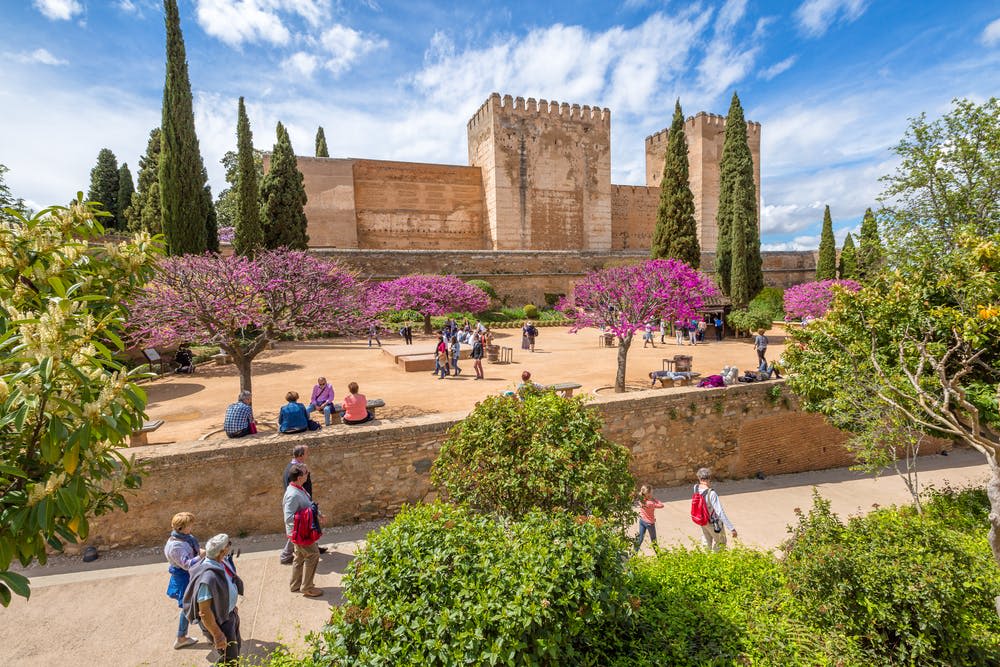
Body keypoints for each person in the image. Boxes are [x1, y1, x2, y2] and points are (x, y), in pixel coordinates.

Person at [183, 534, 242, 665]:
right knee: (230, 659)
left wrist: (231, 606)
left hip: (230, 614)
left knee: (236, 650)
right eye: (229, 544)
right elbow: (204, 611)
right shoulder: (208, 577)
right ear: (221, 551)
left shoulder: (220, 561)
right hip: (221, 623)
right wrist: (218, 635)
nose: (230, 546)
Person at [164, 511, 203, 650]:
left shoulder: (185, 538)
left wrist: (201, 552)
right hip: (184, 577)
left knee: (191, 606)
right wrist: (201, 556)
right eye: (190, 525)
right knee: (195, 605)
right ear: (181, 528)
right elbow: (186, 564)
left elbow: (193, 552)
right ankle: (210, 634)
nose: (192, 527)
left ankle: (182, 637)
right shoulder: (176, 546)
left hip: (188, 575)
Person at [283, 464, 323, 597]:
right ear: (300, 477)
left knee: (299, 557)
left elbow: (308, 505)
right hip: (300, 533)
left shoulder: (298, 488)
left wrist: (318, 514)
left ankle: (295, 585)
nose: (308, 474)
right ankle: (307, 587)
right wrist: (308, 516)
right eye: (306, 473)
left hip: (299, 532)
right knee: (313, 555)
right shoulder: (293, 495)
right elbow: (288, 517)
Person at [695, 468, 737, 551]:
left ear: (699, 478)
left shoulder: (696, 488)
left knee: (706, 542)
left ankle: (704, 560)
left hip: (702, 521)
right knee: (721, 542)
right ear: (709, 478)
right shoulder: (711, 493)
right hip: (713, 523)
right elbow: (720, 512)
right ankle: (715, 560)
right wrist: (731, 528)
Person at [634, 485, 664, 552]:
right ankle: (659, 556)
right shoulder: (650, 503)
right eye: (651, 492)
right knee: (654, 541)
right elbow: (661, 505)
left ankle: (633, 555)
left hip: (642, 521)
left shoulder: (641, 500)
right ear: (649, 493)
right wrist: (654, 499)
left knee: (640, 539)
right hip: (649, 523)